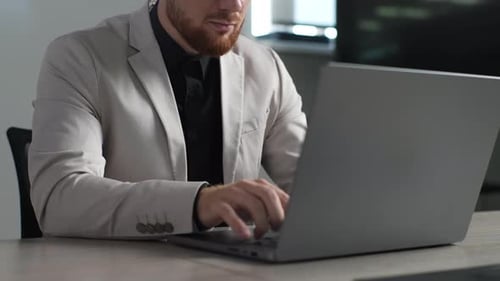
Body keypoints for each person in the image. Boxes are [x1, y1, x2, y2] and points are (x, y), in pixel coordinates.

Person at [29, 0, 307, 240]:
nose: (233, 6)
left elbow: (314, 185)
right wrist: (198, 204)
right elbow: (59, 199)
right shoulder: (79, 57)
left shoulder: (266, 67)